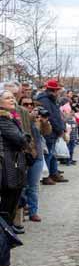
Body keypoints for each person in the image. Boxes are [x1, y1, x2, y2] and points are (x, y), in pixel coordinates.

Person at [0, 91, 29, 227]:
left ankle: (8, 228)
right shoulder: (2, 119)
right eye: (7, 98)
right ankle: (5, 230)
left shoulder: (10, 117)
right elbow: (19, 139)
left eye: (12, 97)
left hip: (14, 160)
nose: (12, 100)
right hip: (8, 162)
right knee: (8, 198)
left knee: (13, 197)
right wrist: (25, 138)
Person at [18, 96, 48, 222]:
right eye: (26, 104)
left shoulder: (36, 118)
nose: (29, 106)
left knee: (34, 186)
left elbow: (46, 132)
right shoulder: (19, 117)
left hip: (38, 156)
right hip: (25, 155)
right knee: (22, 186)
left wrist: (44, 121)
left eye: (31, 104)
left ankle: (33, 211)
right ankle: (22, 209)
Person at [35, 79, 68, 183]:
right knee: (48, 154)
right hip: (49, 130)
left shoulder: (51, 99)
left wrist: (62, 127)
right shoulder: (45, 100)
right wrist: (59, 130)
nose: (59, 92)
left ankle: (53, 173)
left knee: (53, 154)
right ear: (53, 90)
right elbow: (51, 117)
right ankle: (46, 176)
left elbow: (57, 115)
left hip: (54, 131)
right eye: (58, 90)